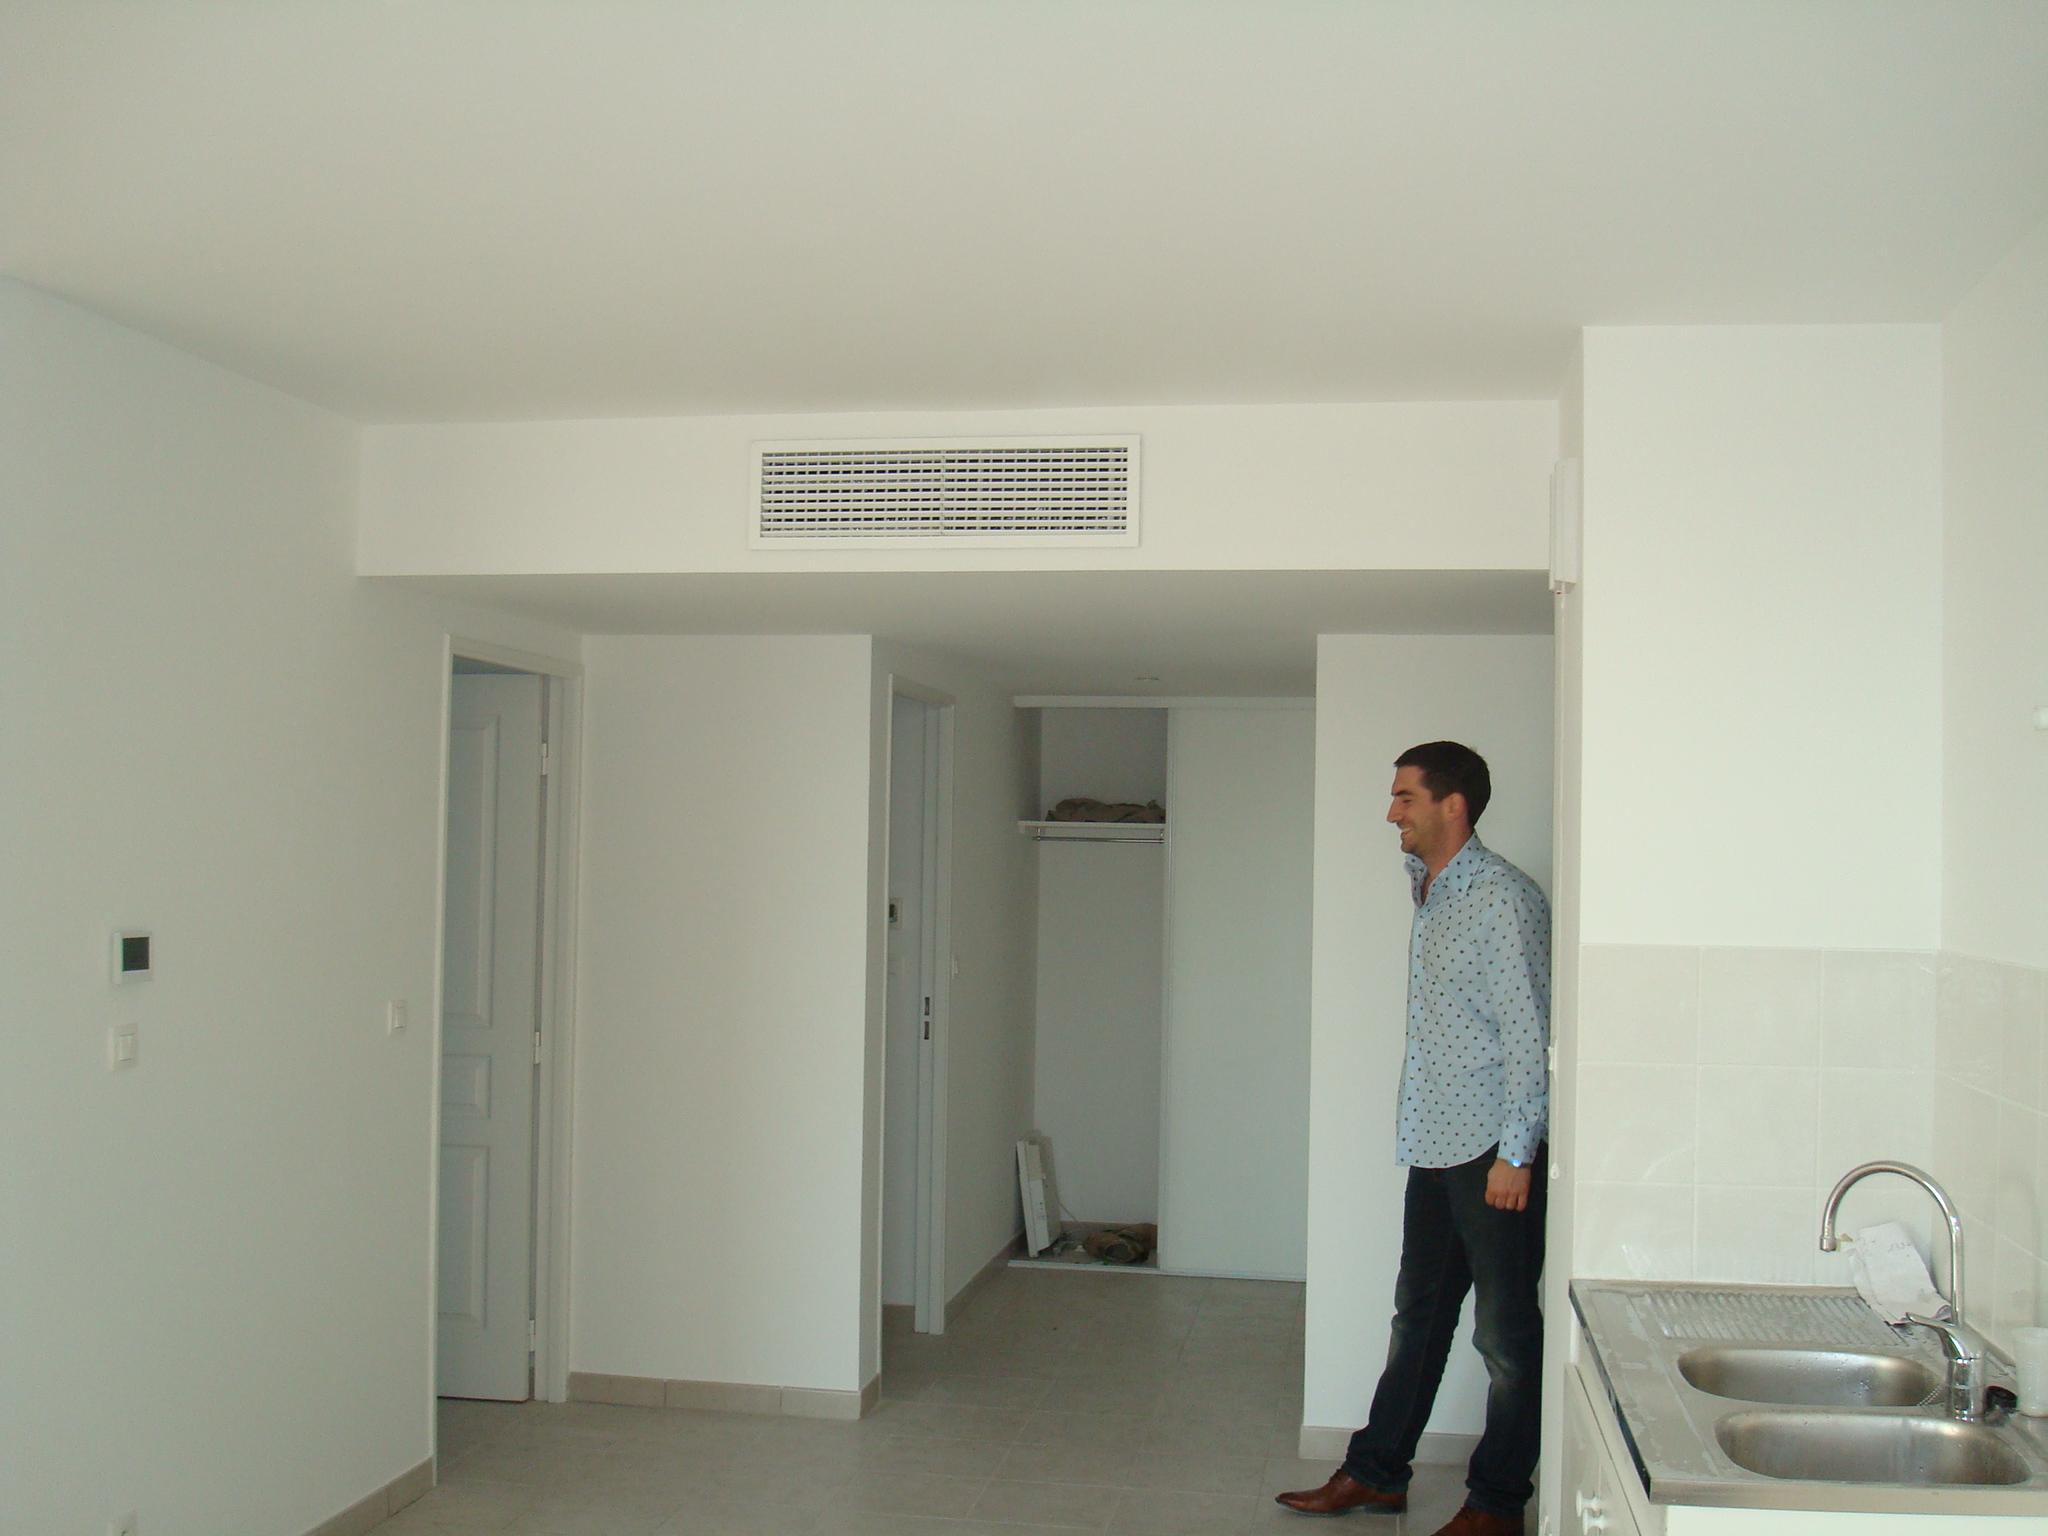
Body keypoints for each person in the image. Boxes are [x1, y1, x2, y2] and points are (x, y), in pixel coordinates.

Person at [1277, 741, 1549, 1536]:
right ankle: (1376, 1474)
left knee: (1505, 1339)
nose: (1391, 812)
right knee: (1417, 1318)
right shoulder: (1428, 885)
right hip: (1434, 1143)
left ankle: (1496, 1505)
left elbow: (1528, 1035)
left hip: (1492, 1155)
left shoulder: (1503, 898)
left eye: (1405, 797)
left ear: (1451, 804)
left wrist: (1517, 1154)